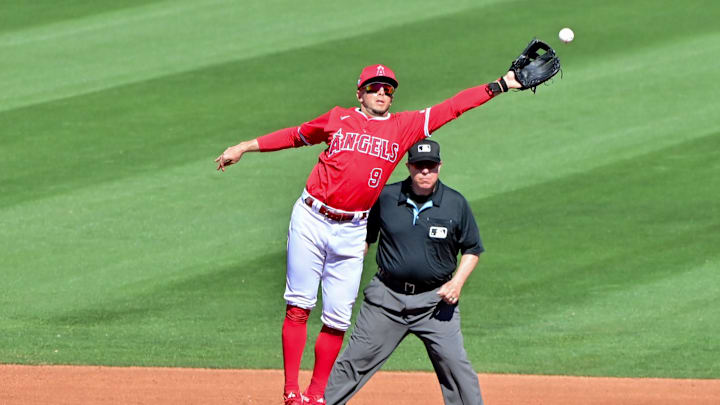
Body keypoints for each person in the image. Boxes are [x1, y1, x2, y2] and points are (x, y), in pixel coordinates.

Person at [215, 65, 521, 405]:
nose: (381, 94)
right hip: (312, 218)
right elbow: (294, 135)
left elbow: (452, 107)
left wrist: (501, 85)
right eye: (375, 87)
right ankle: (291, 391)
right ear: (359, 93)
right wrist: (245, 146)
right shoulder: (337, 119)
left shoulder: (403, 127)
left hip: (351, 228)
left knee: (337, 318)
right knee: (299, 305)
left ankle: (316, 397)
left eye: (388, 90)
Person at [325, 139, 486, 405]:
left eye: (430, 166)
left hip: (436, 305)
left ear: (439, 166)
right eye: (419, 165)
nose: (425, 171)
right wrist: (344, 262)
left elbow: (472, 249)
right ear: (409, 166)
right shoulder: (386, 198)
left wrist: (457, 283)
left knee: (457, 369)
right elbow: (365, 238)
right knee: (353, 363)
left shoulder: (455, 204)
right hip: (386, 301)